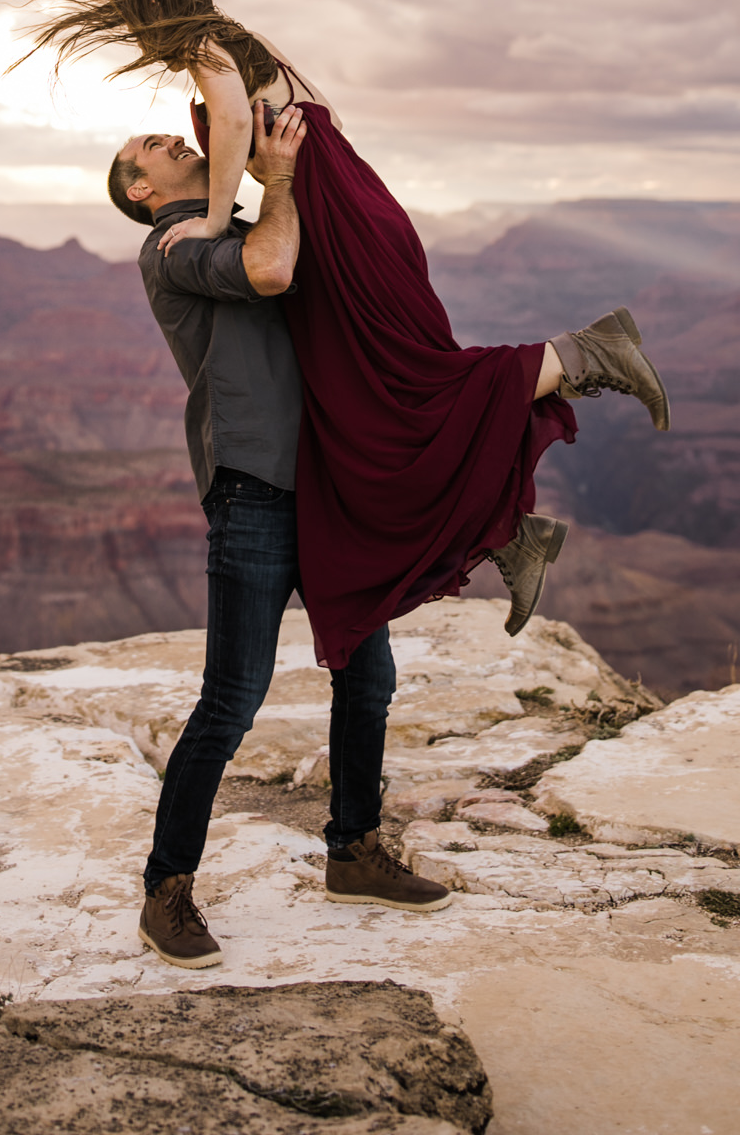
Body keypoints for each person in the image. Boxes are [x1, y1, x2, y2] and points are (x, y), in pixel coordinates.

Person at [18, 0, 670, 676]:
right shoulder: (246, 47)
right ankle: (505, 536)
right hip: (346, 209)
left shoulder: (207, 46)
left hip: (335, 218)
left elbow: (234, 121)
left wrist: (212, 220)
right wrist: (284, 188)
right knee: (364, 405)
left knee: (406, 378)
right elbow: (321, 120)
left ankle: (589, 352)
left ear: (154, 13)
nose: (143, 46)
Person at [116, 102, 450, 970]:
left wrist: (279, 180)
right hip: (254, 491)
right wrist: (286, 180)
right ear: (142, 189)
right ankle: (166, 891)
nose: (163, 137)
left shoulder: (226, 219)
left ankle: (353, 853)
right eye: (145, 148)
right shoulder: (175, 246)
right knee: (231, 699)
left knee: (367, 676)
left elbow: (298, 255)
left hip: (324, 487)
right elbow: (267, 269)